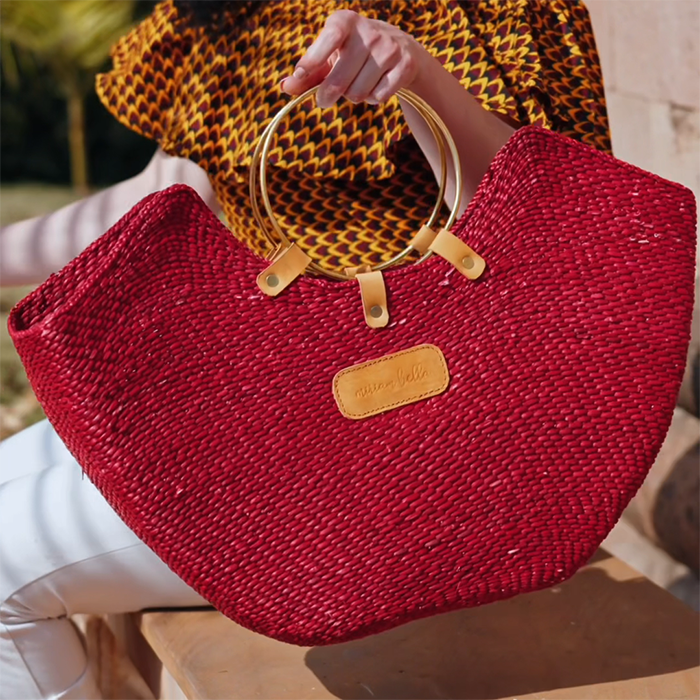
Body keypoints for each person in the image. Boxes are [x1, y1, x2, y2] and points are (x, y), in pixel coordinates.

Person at [0, 0, 610, 697]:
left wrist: (421, 79)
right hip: (289, 408)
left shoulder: (484, 10)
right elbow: (166, 198)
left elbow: (562, 234)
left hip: (443, 441)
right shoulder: (236, 16)